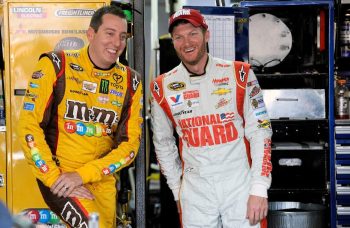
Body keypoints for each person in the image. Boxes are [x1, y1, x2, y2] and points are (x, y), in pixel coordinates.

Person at [18, 5, 143, 228]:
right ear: (91, 34)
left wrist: (85, 174)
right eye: (110, 33)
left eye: (122, 36)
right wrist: (54, 178)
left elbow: (130, 147)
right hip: (61, 177)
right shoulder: (56, 65)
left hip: (101, 182)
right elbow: (29, 127)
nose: (117, 43)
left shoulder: (131, 82)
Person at [150, 8, 272, 228]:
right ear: (173, 42)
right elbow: (163, 144)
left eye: (193, 33)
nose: (186, 42)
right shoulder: (161, 87)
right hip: (195, 193)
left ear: (207, 35)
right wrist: (178, 192)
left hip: (240, 187)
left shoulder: (240, 74)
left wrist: (259, 188)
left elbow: (261, 132)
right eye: (178, 37)